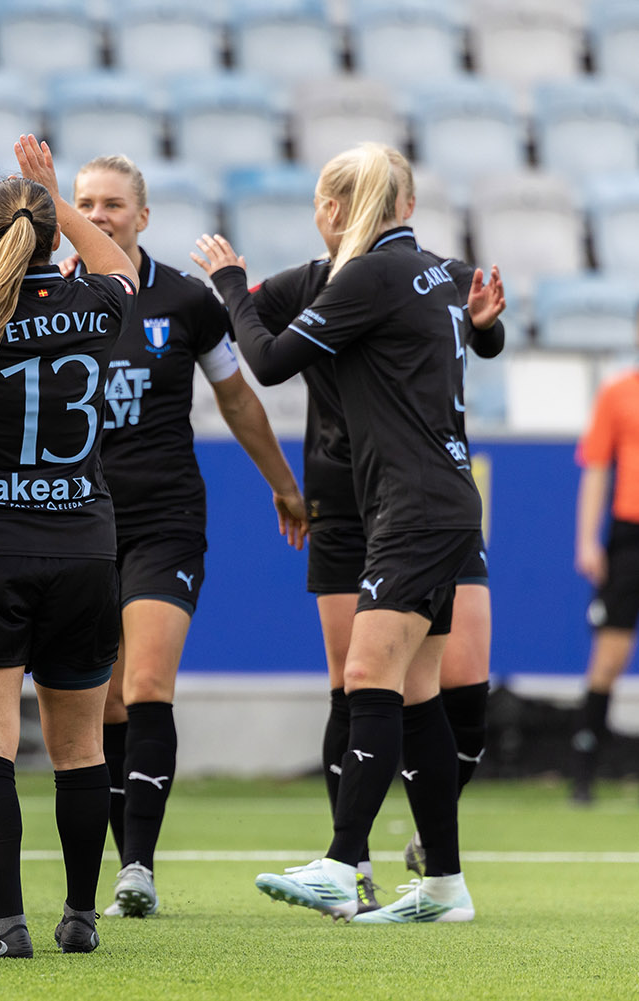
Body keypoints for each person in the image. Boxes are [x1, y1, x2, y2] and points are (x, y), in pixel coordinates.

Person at [191, 141, 505, 923]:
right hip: (439, 498)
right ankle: (444, 884)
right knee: (419, 693)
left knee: (369, 675)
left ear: (334, 208)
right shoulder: (433, 269)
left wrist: (231, 285)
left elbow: (265, 361)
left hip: (412, 506)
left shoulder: (367, 274)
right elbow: (473, 331)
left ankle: (341, 861)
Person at [62, 154, 308, 919]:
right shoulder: (51, 293)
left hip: (166, 518)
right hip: (76, 519)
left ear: (142, 215)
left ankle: (138, 867)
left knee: (146, 686)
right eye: (85, 203)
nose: (99, 215)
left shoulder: (187, 301)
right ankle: (114, 859)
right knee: (102, 705)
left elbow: (236, 398)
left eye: (112, 204)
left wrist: (284, 482)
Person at [0, 135, 138, 958]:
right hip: (84, 543)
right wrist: (51, 196)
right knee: (82, 748)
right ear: (52, 236)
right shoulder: (96, 304)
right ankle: (80, 914)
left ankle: (9, 922)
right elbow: (119, 263)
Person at [573, 341, 639, 803]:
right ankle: (584, 770)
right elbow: (596, 468)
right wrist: (587, 540)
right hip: (629, 534)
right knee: (610, 654)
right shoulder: (618, 393)